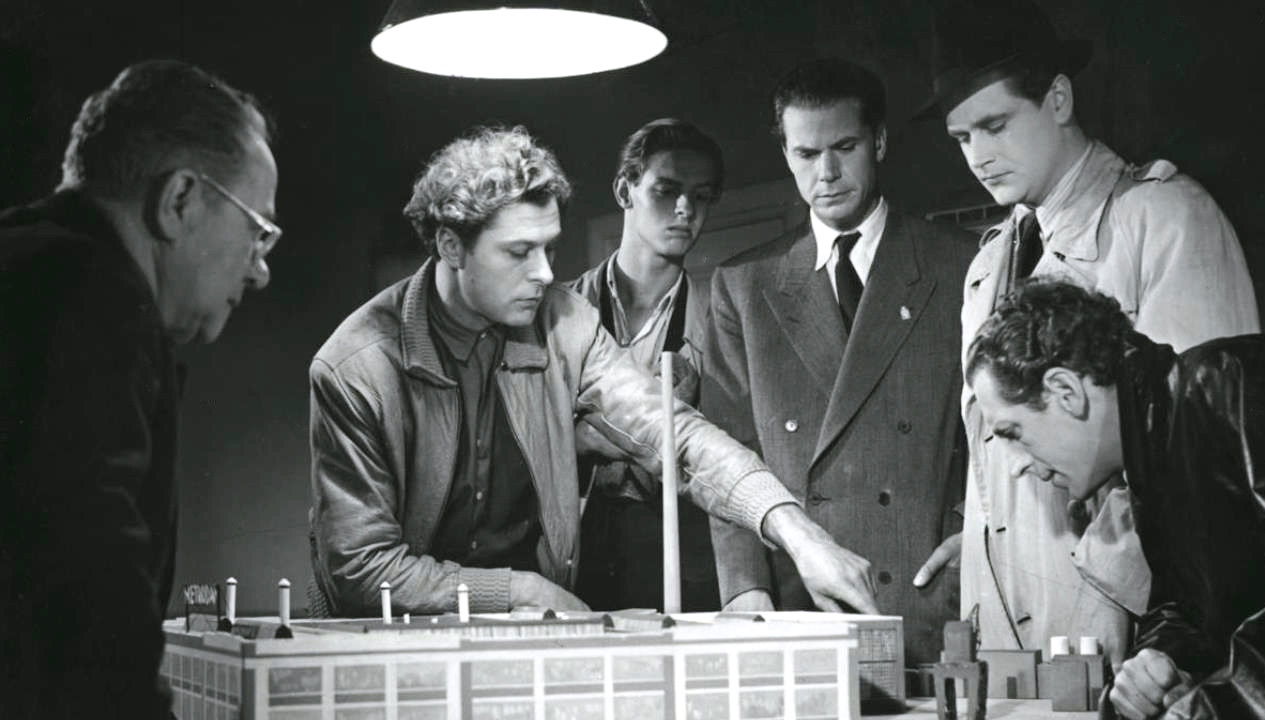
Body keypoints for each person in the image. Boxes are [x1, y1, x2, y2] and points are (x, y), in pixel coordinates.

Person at [308, 124, 877, 619]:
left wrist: (796, 531)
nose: (543, 273)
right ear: (451, 246)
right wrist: (521, 591)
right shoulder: (357, 366)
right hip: (395, 644)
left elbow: (675, 435)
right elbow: (361, 568)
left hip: (531, 635)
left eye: (550, 249)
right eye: (519, 252)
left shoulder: (566, 323)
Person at [922, 0, 1260, 669]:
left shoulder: (1163, 221)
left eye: (995, 125)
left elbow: (1202, 470)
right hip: (1002, 629)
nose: (979, 157)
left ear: (1058, 98)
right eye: (962, 138)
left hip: (1120, 628)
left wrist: (1155, 635)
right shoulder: (985, 266)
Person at [0, 60, 278, 719]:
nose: (260, 271)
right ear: (180, 200)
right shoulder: (89, 300)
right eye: (258, 231)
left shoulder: (25, 261)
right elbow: (89, 601)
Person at [701, 58, 974, 666]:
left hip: (928, 588)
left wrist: (975, 534)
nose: (825, 174)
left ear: (879, 141)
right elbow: (726, 449)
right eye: (805, 154)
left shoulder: (959, 265)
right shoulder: (744, 284)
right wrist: (744, 587)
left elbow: (993, 434)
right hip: (801, 597)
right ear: (786, 155)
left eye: (844, 148)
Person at [967, 279, 1265, 720]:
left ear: (1066, 391)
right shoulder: (1153, 457)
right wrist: (1157, 665)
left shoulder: (1226, 381)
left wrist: (1208, 708)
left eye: (1013, 433)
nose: (1016, 465)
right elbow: (1193, 610)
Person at [570, 118, 723, 611]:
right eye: (667, 190)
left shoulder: (719, 323)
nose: (685, 209)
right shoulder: (560, 314)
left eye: (701, 196)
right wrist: (577, 439)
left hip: (680, 557)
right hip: (574, 554)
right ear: (624, 190)